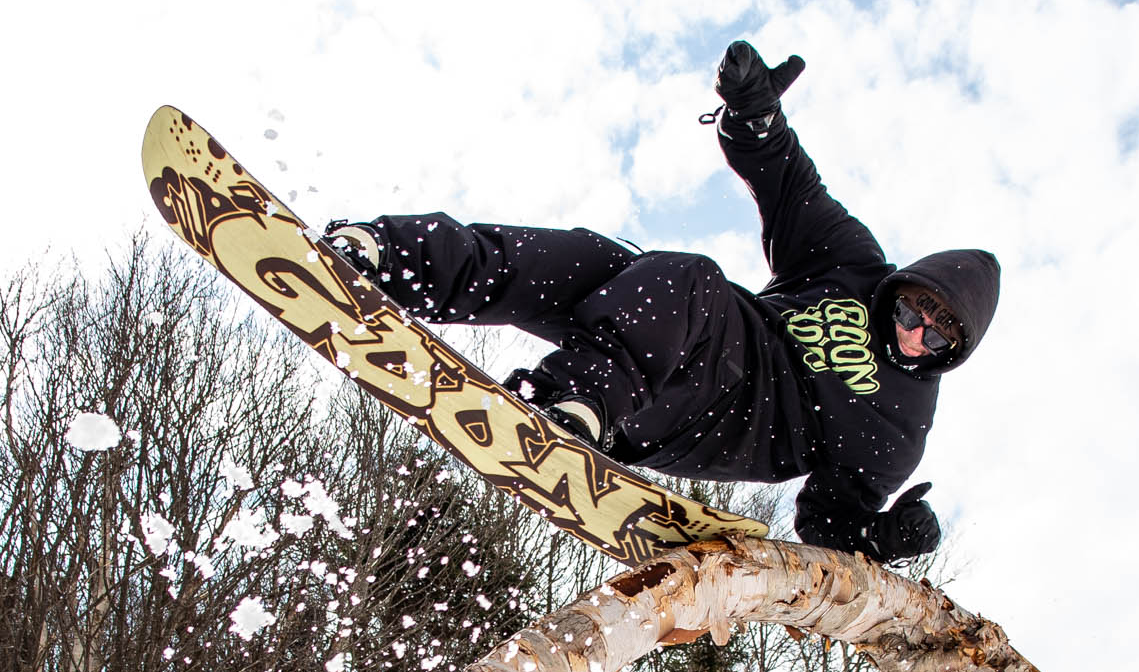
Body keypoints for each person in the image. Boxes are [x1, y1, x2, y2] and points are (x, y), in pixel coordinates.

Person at [326, 42, 999, 565]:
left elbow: (828, 523)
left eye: (937, 340)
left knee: (689, 279)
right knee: (585, 259)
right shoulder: (853, 262)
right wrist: (756, 117)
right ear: (900, 287)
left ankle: (577, 405)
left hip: (716, 417)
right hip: (664, 332)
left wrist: (880, 539)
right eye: (912, 313)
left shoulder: (899, 427)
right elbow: (791, 184)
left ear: (952, 355)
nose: (916, 336)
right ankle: (388, 257)